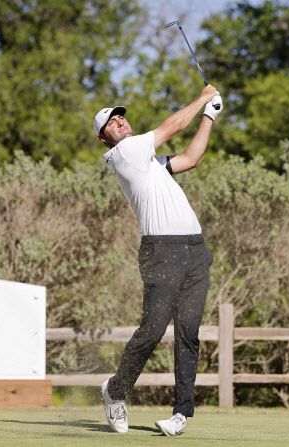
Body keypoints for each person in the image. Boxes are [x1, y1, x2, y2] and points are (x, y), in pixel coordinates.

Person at [95, 84, 223, 436]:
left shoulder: (149, 162)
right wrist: (202, 97)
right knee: (152, 331)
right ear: (104, 139)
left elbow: (190, 159)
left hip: (195, 251)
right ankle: (116, 391)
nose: (119, 121)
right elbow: (173, 127)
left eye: (121, 116)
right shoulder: (125, 154)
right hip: (161, 251)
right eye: (110, 122)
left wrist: (209, 116)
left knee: (188, 334)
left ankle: (181, 414)